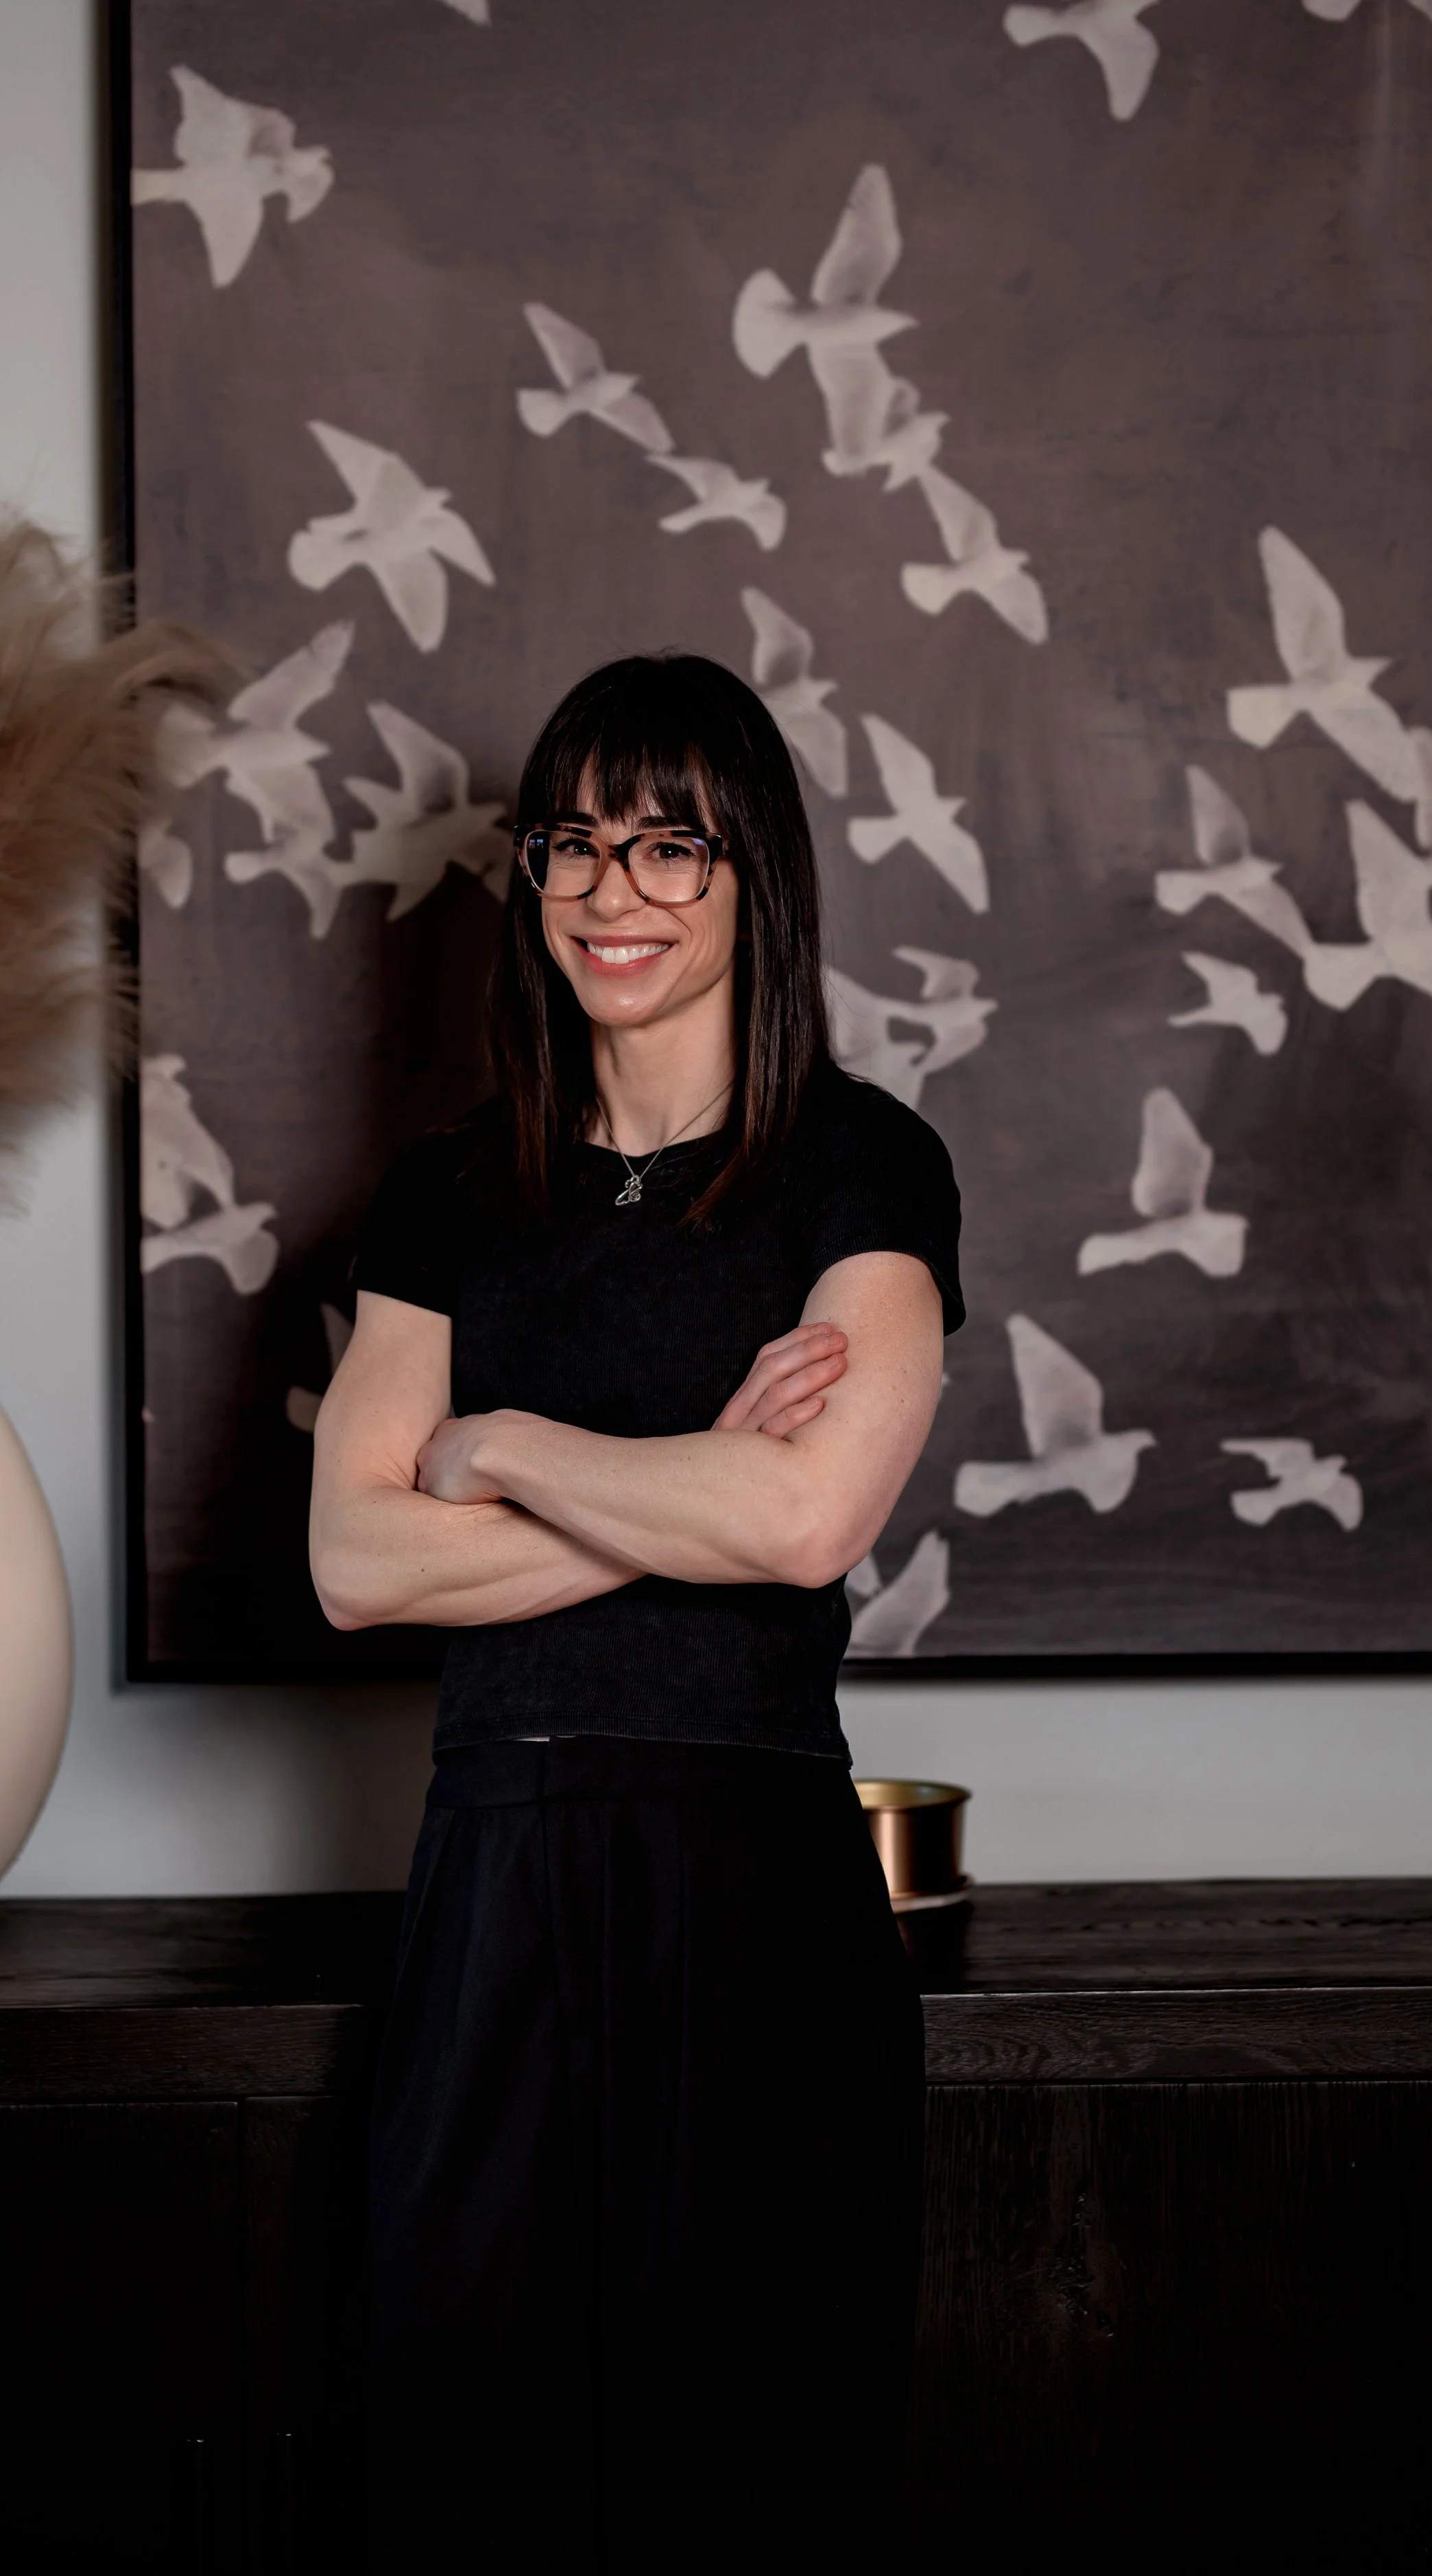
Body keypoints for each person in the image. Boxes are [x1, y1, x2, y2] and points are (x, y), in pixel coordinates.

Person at [309, 650, 963, 2574]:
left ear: (756, 874)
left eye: (672, 843)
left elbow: (808, 1508)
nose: (614, 888)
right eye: (575, 843)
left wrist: (500, 1441)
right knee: (463, 2470)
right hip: (491, 1877)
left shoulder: (859, 1163)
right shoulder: (446, 1195)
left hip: (750, 1880)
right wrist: (684, 1474)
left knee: (747, 2477)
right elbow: (355, 1564)